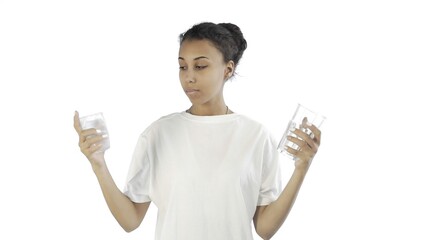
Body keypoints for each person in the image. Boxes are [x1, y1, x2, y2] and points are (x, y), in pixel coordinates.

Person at [73, 22, 321, 240]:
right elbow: (130, 221)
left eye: (200, 66)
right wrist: (98, 164)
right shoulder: (158, 134)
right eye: (183, 67)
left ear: (228, 69)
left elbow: (265, 229)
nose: (189, 77)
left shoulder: (256, 136)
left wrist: (301, 168)